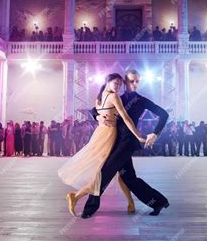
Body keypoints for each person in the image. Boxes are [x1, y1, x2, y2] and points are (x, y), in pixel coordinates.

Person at [80, 70, 170, 219]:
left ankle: (89, 209)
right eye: (131, 81)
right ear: (125, 82)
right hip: (116, 140)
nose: (135, 84)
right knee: (129, 178)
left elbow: (164, 114)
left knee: (105, 171)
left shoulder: (141, 100)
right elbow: (94, 109)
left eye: (137, 81)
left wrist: (154, 133)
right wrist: (98, 117)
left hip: (128, 142)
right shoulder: (117, 97)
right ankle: (158, 202)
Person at [58, 73, 146, 217]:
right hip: (110, 136)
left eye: (120, 84)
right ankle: (76, 196)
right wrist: (138, 136)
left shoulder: (98, 98)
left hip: (100, 133)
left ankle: (130, 202)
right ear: (108, 82)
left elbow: (97, 112)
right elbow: (126, 118)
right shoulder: (113, 97)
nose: (118, 86)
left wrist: (99, 117)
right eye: (115, 83)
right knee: (103, 173)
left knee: (119, 170)